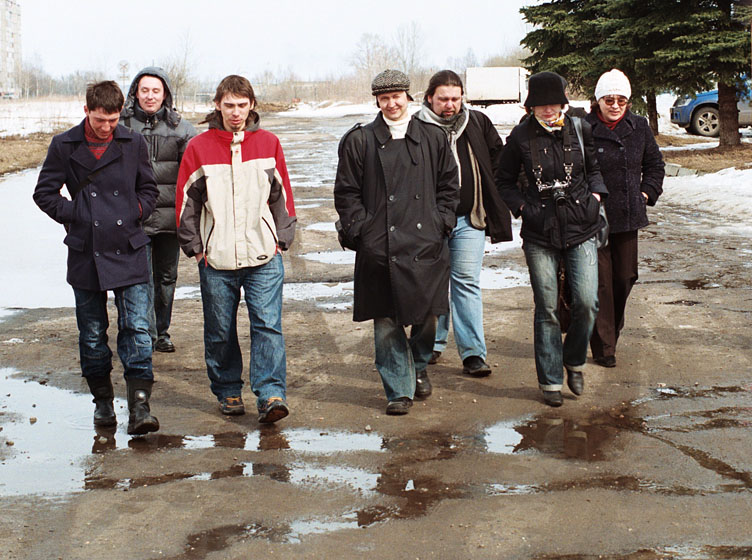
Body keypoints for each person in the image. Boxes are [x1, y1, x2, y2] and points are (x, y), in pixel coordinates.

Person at [33, 80, 160, 434]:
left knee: (137, 328)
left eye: (113, 120)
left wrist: (135, 210)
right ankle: (103, 402)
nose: (106, 127)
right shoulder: (64, 145)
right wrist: (77, 214)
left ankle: (140, 407)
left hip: (129, 246)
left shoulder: (133, 142)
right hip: (86, 250)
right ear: (86, 110)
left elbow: (149, 189)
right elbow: (44, 193)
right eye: (100, 119)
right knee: (91, 333)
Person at [334, 69, 459, 415]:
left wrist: (442, 222)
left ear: (408, 97)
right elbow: (346, 192)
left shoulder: (433, 137)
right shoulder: (360, 140)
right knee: (387, 320)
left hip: (426, 242)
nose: (391, 104)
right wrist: (363, 231)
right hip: (380, 245)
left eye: (397, 97)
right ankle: (398, 390)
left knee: (428, 316)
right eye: (384, 98)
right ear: (377, 101)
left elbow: (449, 186)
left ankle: (418, 366)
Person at [176, 75, 296, 423]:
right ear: (217, 105)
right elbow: (185, 202)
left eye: (242, 105)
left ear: (252, 105)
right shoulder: (198, 147)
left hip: (263, 255)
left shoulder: (269, 143)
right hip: (216, 259)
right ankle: (228, 390)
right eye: (229, 105)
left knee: (268, 325)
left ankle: (271, 394)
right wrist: (196, 249)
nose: (235, 112)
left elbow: (282, 195)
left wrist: (281, 239)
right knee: (219, 330)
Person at [496, 71, 608, 407]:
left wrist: (596, 197)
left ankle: (574, 360)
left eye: (554, 103)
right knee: (547, 306)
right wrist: (522, 208)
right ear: (531, 106)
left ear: (563, 103)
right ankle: (550, 381)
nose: (548, 109)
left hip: (581, 225)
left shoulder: (580, 128)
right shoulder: (519, 137)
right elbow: (504, 180)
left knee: (587, 302)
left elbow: (594, 170)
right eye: (541, 104)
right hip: (540, 231)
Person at [416, 70, 512, 387]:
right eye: (443, 99)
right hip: (429, 222)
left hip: (470, 218)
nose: (450, 105)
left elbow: (499, 159)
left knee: (466, 282)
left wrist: (501, 195)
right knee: (433, 284)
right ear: (429, 98)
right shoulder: (416, 127)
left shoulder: (477, 122)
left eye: (455, 99)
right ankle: (433, 343)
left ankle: (473, 354)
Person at [587, 69, 664, 368]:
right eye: (609, 100)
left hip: (628, 214)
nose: (615, 105)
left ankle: (611, 329)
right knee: (600, 283)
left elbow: (654, 164)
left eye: (621, 100)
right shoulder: (584, 127)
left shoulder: (639, 126)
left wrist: (646, 193)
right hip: (594, 217)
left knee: (624, 278)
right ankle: (604, 346)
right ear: (598, 100)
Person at [120, 67, 197, 353]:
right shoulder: (121, 125)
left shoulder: (182, 129)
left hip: (168, 219)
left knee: (166, 278)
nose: (150, 96)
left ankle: (161, 331)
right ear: (135, 93)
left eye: (156, 91)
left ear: (165, 94)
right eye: (145, 90)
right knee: (138, 278)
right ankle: (144, 334)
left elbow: (192, 175)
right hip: (133, 219)